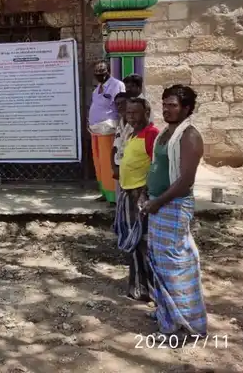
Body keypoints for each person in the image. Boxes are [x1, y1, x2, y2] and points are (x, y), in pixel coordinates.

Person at [141, 84, 207, 336]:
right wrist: (148, 193)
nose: (167, 109)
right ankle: (167, 313)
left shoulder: (189, 136)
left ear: (187, 109)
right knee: (159, 259)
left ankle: (188, 323)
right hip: (158, 202)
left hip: (174, 205)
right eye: (165, 104)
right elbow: (157, 166)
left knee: (175, 262)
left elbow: (184, 182)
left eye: (173, 105)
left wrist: (157, 202)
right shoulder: (165, 133)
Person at [115, 97, 159, 301]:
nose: (130, 116)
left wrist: (144, 192)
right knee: (132, 242)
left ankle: (146, 288)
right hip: (128, 193)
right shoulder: (133, 133)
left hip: (138, 196)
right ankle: (137, 285)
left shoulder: (151, 134)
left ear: (146, 113)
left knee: (141, 242)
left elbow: (156, 166)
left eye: (135, 112)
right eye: (128, 112)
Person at [88, 60, 125, 203]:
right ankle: (104, 192)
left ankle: (113, 196)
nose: (100, 75)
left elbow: (120, 106)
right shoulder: (97, 88)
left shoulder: (117, 85)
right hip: (95, 131)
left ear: (108, 71)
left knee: (108, 163)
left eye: (102, 73)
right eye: (97, 73)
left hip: (108, 130)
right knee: (99, 163)